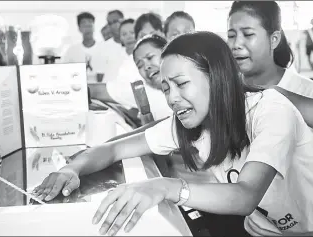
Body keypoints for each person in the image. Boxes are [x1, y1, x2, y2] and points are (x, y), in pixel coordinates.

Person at [33, 32, 313, 236]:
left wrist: (165, 187)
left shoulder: (271, 110)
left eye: (181, 84)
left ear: (217, 77)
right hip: (264, 229)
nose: (172, 98)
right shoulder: (189, 123)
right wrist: (72, 168)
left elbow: (246, 195)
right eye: (166, 88)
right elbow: (115, 149)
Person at [227, 1, 313, 98]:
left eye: (248, 34)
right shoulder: (223, 90)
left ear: (274, 40)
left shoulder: (307, 92)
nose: (236, 44)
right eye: (231, 36)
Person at [62, 12, 105, 83]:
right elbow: (65, 74)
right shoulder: (72, 51)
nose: (87, 27)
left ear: (94, 27)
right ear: (79, 28)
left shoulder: (103, 49)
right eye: (84, 24)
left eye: (90, 23)